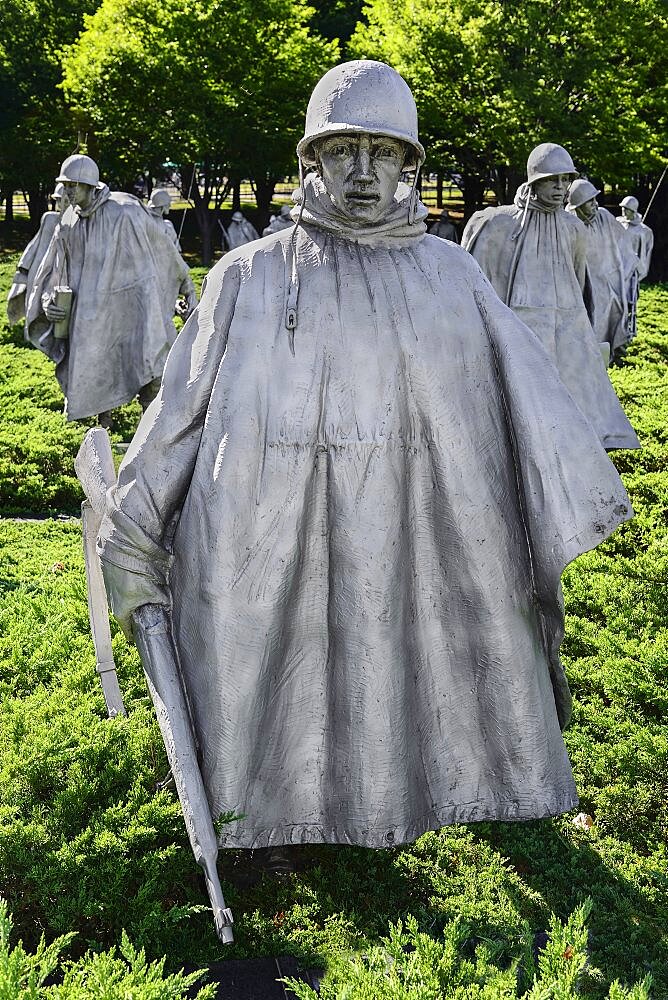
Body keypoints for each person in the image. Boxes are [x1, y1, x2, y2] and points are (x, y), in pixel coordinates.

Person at [99, 62, 632, 856]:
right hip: (269, 528)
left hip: (420, 525)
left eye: (383, 154)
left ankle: (443, 790)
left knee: (405, 649)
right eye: (342, 150)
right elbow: (180, 411)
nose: (361, 173)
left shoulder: (450, 274)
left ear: (409, 165)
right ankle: (259, 824)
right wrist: (132, 529)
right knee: (271, 672)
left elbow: (528, 400)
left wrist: (561, 494)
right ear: (311, 159)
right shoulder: (250, 274)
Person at [462, 143, 639, 450]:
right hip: (522, 321)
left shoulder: (573, 227)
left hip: (566, 322)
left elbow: (580, 279)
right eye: (551, 180)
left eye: (565, 180)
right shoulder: (503, 224)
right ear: (534, 182)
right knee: (520, 406)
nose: (560, 188)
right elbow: (477, 280)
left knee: (570, 408)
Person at [26, 154, 197, 424]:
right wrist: (49, 301)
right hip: (91, 316)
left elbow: (163, 250)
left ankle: (152, 432)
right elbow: (55, 271)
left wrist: (186, 285)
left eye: (74, 185)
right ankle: (102, 430)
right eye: (66, 185)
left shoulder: (124, 210)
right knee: (96, 372)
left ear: (90, 186)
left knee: (148, 363)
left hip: (132, 304)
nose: (68, 192)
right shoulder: (68, 222)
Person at [566, 179, 639, 362]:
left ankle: (613, 352)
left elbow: (623, 244)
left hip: (609, 281)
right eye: (590, 201)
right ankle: (590, 359)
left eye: (594, 199)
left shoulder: (604, 216)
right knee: (591, 320)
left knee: (614, 316)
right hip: (584, 283)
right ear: (579, 205)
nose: (595, 204)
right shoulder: (568, 222)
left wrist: (629, 270)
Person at [7, 183, 64, 327]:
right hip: (40, 270)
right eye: (58, 200)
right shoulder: (49, 219)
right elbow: (34, 245)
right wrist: (23, 270)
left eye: (63, 199)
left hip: (59, 273)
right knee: (34, 302)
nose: (60, 204)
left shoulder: (80, 224)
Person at [617, 195, 654, 280]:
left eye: (626, 209)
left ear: (633, 211)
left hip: (632, 269)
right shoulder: (617, 224)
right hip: (618, 266)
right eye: (623, 208)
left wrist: (640, 270)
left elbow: (645, 254)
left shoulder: (644, 231)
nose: (623, 211)